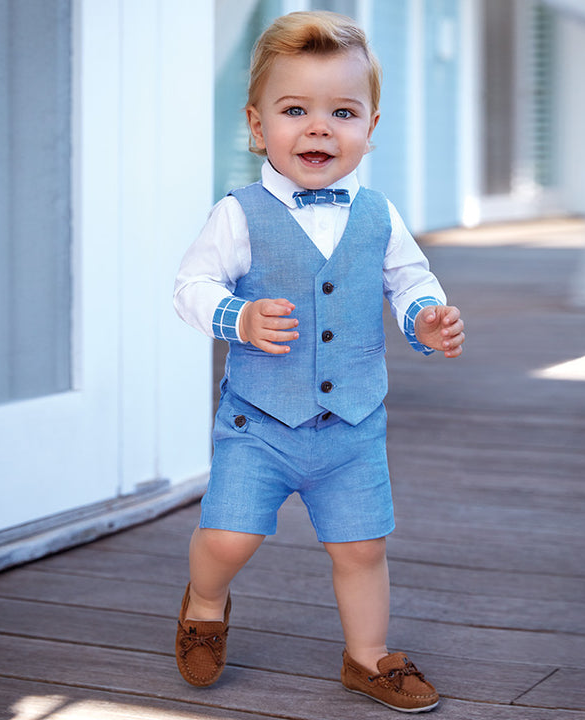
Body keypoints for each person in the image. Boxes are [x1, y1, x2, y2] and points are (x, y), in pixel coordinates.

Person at [173, 10, 465, 713]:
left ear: (371, 127)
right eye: (294, 109)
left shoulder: (380, 214)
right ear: (256, 124)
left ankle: (368, 657)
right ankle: (205, 604)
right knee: (229, 535)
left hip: (353, 424)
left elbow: (410, 280)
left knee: (361, 548)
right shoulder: (238, 214)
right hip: (261, 422)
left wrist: (427, 319)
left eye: (343, 111)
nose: (318, 127)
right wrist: (236, 316)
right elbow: (191, 288)